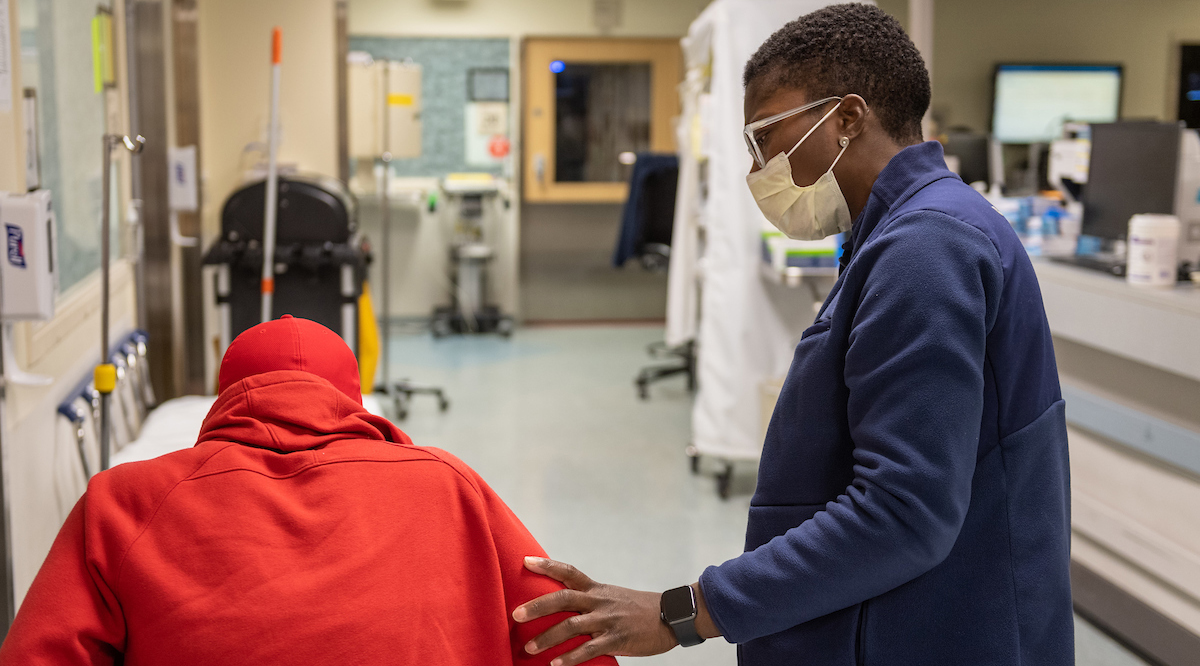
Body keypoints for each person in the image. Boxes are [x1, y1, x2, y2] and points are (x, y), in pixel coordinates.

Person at [512, 5, 1073, 665]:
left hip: (933, 633)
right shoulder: (901, 233)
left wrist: (683, 613)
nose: (760, 168)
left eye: (767, 137)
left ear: (846, 118)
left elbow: (904, 512)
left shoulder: (928, 249)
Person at [0, 315, 616, 666]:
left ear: (225, 397)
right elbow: (567, 638)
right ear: (352, 398)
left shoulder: (123, 501)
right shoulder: (448, 485)